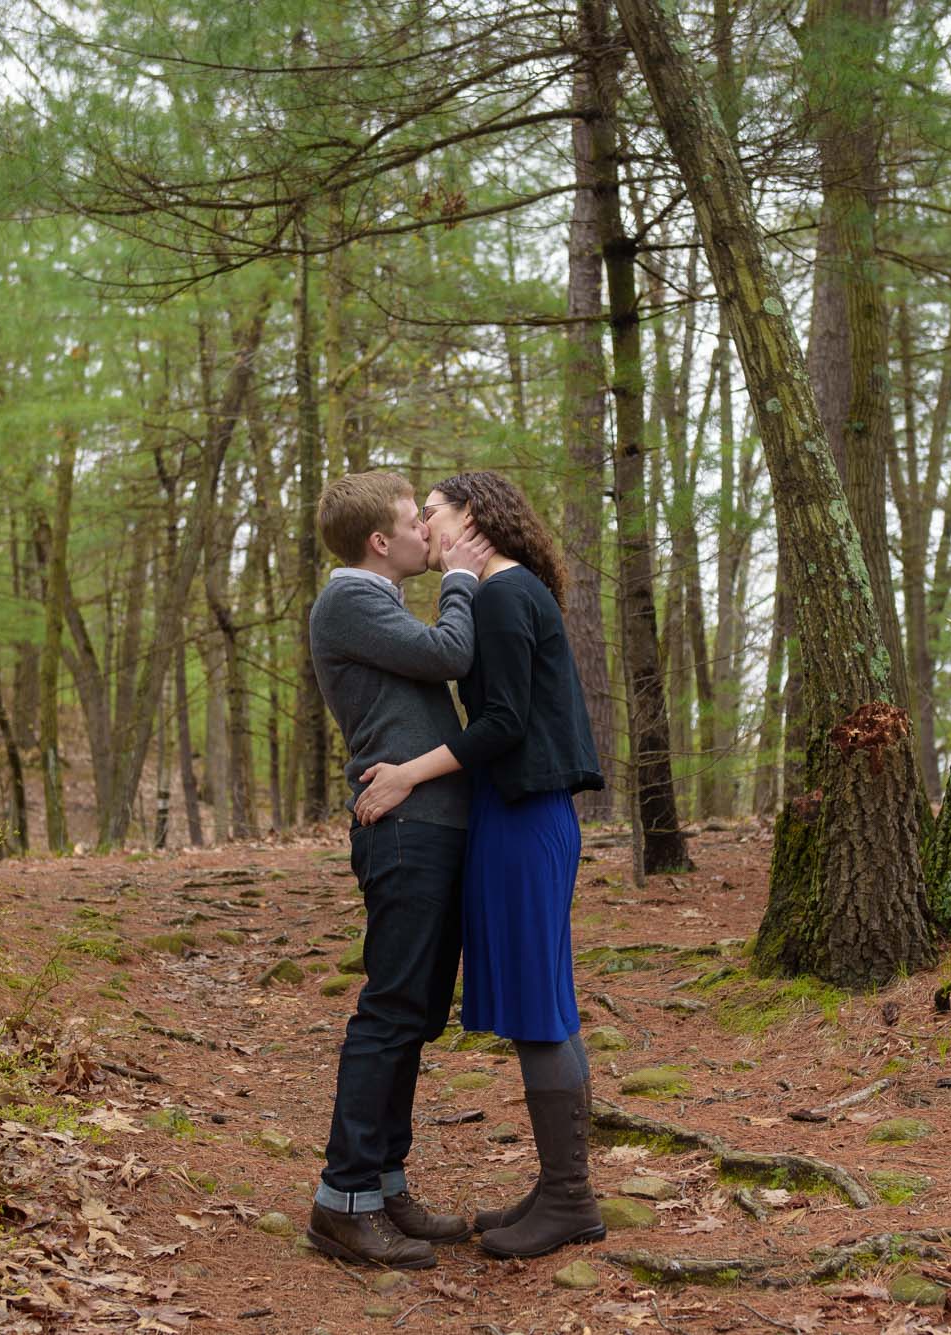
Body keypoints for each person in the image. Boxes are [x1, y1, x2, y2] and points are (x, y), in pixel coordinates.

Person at [355, 471, 607, 1260]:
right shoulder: (511, 590)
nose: (423, 526)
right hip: (519, 814)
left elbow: (503, 721)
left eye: (431, 512)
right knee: (545, 1000)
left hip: (525, 817)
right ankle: (560, 1184)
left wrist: (407, 772)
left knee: (540, 1006)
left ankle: (570, 1197)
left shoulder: (501, 594)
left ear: (472, 517)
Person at [303, 469, 493, 1270]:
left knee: (415, 1015)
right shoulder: (349, 599)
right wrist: (460, 576)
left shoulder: (375, 600)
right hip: (404, 829)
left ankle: (383, 1183)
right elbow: (451, 652)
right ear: (381, 541)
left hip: (431, 822)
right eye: (418, 521)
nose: (428, 531)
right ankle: (342, 1200)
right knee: (390, 1012)